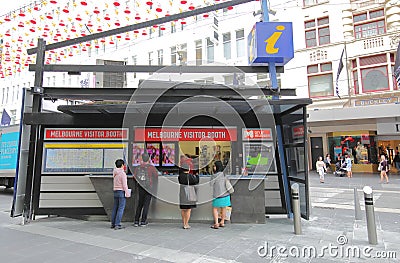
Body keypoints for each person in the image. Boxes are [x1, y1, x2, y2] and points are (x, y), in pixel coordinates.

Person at [133, 153, 158, 227]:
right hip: (148, 187)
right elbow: (156, 176)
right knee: (146, 204)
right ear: (148, 159)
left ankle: (136, 221)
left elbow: (134, 177)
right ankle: (143, 221)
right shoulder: (151, 167)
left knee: (140, 204)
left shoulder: (138, 167)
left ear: (142, 158)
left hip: (141, 187)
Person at [210, 160, 231, 229]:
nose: (214, 167)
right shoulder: (225, 175)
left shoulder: (214, 176)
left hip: (217, 195)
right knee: (224, 208)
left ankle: (216, 223)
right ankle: (222, 222)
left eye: (214, 166)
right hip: (225, 194)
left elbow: (211, 184)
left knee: (215, 208)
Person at [178, 163, 199, 229]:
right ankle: (186, 224)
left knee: (183, 209)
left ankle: (184, 222)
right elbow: (196, 181)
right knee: (188, 209)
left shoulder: (180, 176)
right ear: (189, 169)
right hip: (189, 194)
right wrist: (197, 175)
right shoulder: (190, 176)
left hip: (182, 194)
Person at [111, 159, 129, 230]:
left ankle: (113, 224)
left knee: (115, 208)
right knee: (121, 208)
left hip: (115, 191)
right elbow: (125, 185)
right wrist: (127, 193)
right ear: (122, 165)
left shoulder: (115, 173)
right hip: (121, 192)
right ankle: (117, 224)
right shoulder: (122, 174)